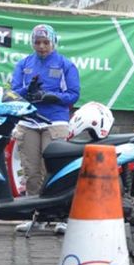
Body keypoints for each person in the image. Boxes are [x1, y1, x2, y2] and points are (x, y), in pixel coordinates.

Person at [11, 23, 81, 234]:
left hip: (55, 123)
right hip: (29, 122)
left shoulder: (65, 64)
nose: (41, 46)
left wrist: (52, 97)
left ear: (53, 42)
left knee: (56, 171)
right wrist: (27, 90)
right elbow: (14, 92)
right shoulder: (23, 64)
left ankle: (62, 217)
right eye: (37, 42)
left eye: (45, 42)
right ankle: (36, 216)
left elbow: (74, 94)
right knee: (31, 172)